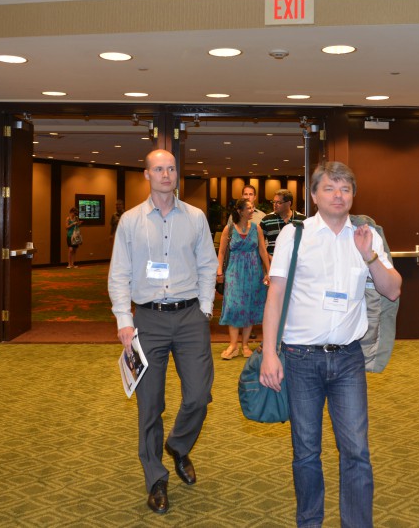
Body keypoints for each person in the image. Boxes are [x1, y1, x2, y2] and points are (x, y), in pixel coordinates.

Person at [259, 161, 402, 528]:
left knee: (356, 451)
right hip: (300, 358)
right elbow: (275, 296)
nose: (338, 195)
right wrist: (269, 353)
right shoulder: (295, 235)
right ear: (314, 195)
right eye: (329, 188)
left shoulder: (367, 235)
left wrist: (369, 256)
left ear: (353, 195)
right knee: (306, 452)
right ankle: (309, 522)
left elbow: (392, 289)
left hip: (348, 359)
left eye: (345, 189)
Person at [108, 149, 218, 515]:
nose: (166, 174)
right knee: (150, 405)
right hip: (148, 320)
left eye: (171, 168)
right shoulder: (130, 221)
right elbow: (119, 273)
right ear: (147, 174)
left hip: (189, 317)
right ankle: (156, 478)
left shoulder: (196, 217)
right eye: (159, 169)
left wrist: (205, 309)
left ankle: (178, 445)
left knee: (199, 395)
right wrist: (124, 320)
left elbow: (208, 264)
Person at [216, 198, 270, 359]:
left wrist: (268, 271)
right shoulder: (229, 229)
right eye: (249, 208)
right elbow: (221, 252)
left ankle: (245, 345)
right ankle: (233, 345)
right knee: (233, 305)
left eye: (253, 207)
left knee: (249, 306)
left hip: (253, 271)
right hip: (234, 271)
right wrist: (219, 271)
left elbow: (262, 250)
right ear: (240, 211)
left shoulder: (256, 228)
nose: (252, 210)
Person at [260, 188, 306, 256]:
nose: (275, 205)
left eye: (279, 202)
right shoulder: (266, 220)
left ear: (288, 203)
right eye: (274, 202)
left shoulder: (302, 219)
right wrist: (268, 258)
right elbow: (260, 245)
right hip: (273, 259)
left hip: (296, 259)